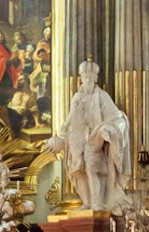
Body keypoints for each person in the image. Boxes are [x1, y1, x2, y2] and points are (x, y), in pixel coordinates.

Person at [46, 59, 131, 213]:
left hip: (94, 139)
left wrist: (109, 129)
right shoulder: (77, 98)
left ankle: (97, 201)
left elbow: (117, 117)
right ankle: (86, 201)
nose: (88, 81)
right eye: (85, 78)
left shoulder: (102, 96)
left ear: (95, 79)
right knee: (77, 171)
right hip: (78, 141)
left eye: (91, 78)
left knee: (92, 168)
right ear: (81, 79)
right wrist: (60, 138)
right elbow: (70, 120)